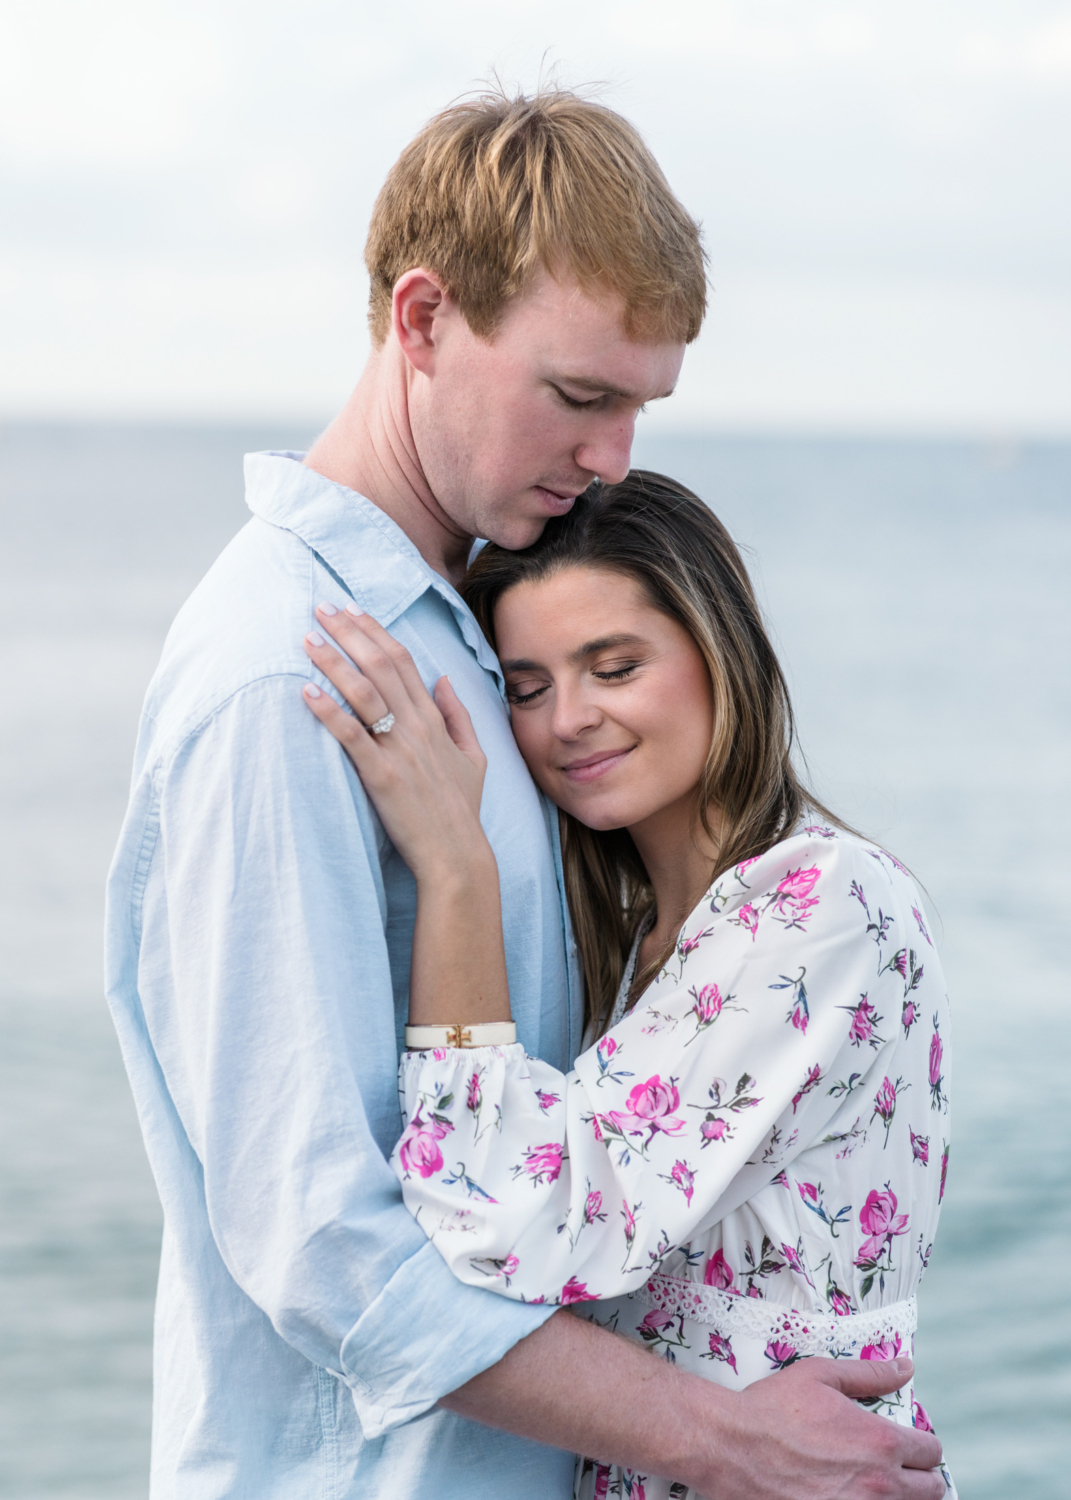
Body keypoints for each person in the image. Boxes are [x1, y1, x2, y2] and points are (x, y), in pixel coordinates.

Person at [104, 88, 944, 1499]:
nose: (614, 458)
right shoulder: (283, 677)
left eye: (638, 406)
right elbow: (317, 1236)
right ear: (422, 322)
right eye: (578, 396)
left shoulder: (476, 633)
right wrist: (719, 1436)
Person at [301, 470, 955, 1499]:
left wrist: (456, 869)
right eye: (526, 687)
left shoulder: (822, 905)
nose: (568, 720)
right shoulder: (643, 939)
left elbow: (514, 1221)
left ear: (718, 653)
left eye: (613, 666)